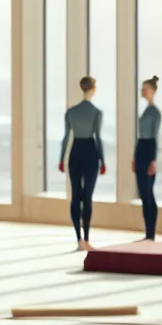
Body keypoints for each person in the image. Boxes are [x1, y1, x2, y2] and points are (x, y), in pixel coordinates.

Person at [57, 75, 107, 252]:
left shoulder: (71, 112)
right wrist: (103, 161)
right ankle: (86, 238)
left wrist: (61, 158)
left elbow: (65, 138)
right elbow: (98, 138)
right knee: (87, 196)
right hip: (91, 152)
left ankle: (79, 239)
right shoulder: (96, 112)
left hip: (75, 152)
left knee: (76, 195)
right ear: (93, 89)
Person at [134, 75, 162, 240]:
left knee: (148, 191)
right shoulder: (145, 110)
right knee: (143, 193)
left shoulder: (155, 113)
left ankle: (151, 232)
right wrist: (134, 156)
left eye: (145, 88)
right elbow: (141, 136)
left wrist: (153, 160)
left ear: (152, 91)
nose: (142, 91)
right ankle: (147, 231)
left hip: (149, 149)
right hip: (141, 148)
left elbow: (154, 137)